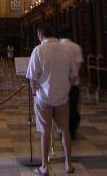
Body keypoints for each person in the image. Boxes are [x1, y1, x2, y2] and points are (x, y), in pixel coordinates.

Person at [27, 23, 77, 174]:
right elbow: (73, 76)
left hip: (44, 98)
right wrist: (66, 89)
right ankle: (68, 164)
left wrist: (35, 94)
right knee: (65, 130)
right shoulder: (66, 50)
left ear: (41, 35)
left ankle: (44, 166)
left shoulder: (38, 50)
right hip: (62, 98)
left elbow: (32, 77)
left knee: (45, 132)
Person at [59, 25, 84, 140]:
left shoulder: (57, 47)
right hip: (73, 84)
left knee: (61, 108)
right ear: (70, 34)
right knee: (73, 107)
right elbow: (78, 66)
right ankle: (72, 132)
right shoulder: (76, 47)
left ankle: (62, 131)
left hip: (60, 84)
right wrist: (72, 80)